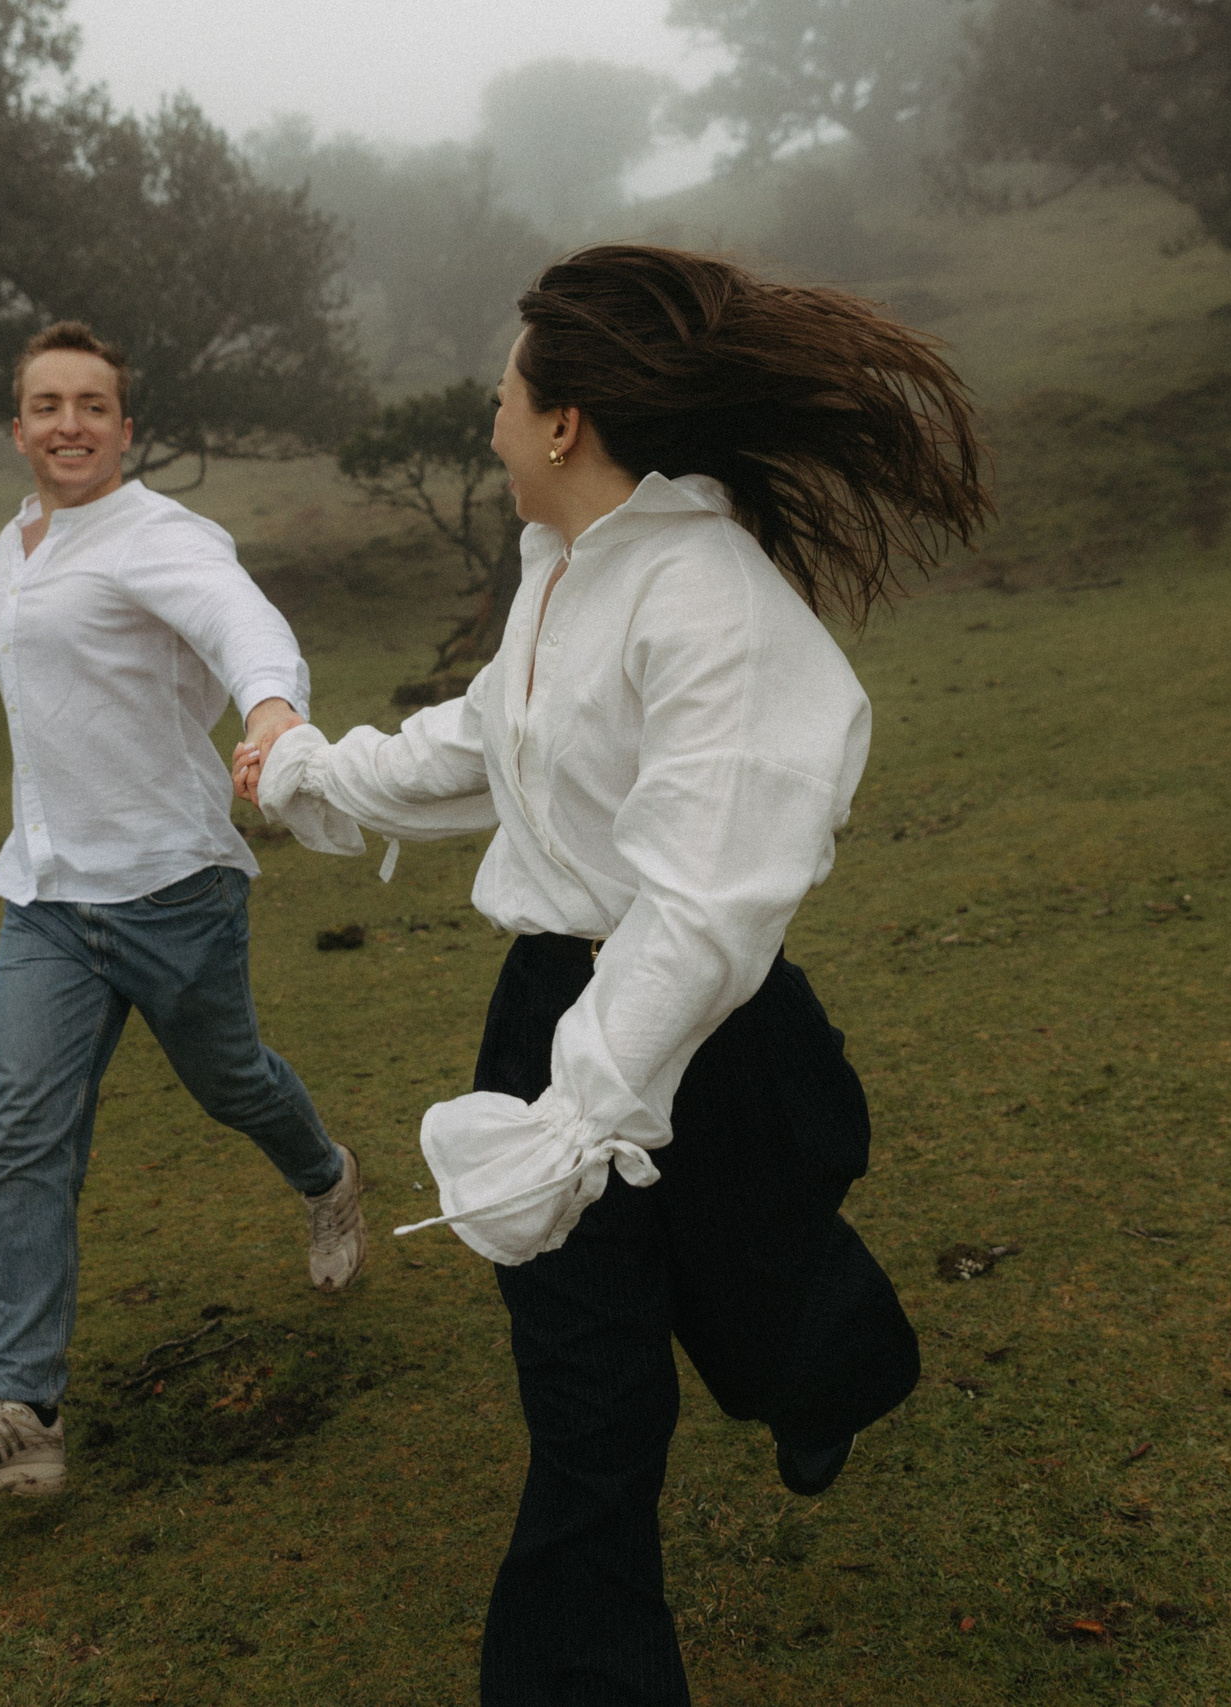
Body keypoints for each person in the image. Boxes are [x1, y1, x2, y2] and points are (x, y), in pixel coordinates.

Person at [236, 246, 989, 1704]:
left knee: (772, 1298)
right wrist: (316, 775)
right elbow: (487, 744)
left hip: (710, 1034)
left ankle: (836, 1370)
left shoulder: (713, 603)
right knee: (588, 1394)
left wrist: (582, 1117)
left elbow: (707, 907)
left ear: (566, 418)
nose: (493, 421)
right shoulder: (564, 575)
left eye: (504, 396)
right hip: (552, 1012)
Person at [0, 321, 367, 1500]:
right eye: (47, 405)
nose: (69, 424)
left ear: (123, 426)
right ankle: (24, 1413)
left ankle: (325, 1179)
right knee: (28, 1136)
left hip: (171, 888)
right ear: (18, 429)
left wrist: (268, 713)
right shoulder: (20, 541)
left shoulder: (161, 535)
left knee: (234, 1083)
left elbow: (240, 623)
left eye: (92, 406)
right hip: (45, 894)